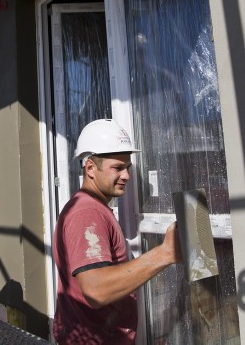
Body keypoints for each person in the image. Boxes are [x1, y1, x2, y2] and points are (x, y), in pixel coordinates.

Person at [52, 119, 183, 344]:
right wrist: (165, 253)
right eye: (118, 168)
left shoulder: (92, 207)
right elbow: (96, 290)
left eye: (128, 168)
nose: (127, 176)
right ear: (90, 167)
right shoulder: (87, 214)